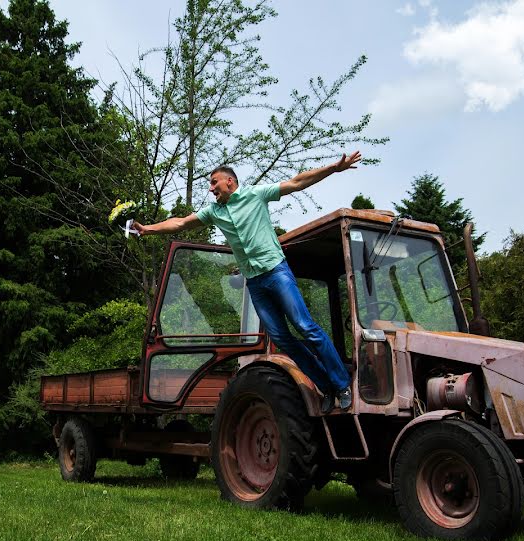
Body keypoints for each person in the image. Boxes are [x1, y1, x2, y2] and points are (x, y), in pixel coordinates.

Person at [132, 152, 361, 413]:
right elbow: (182, 222)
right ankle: (326, 387)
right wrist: (148, 228)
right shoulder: (214, 212)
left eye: (214, 182)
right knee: (281, 338)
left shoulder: (256, 194)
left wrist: (334, 167)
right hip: (255, 283)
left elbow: (297, 182)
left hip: (276, 272)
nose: (210, 188)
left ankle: (341, 384)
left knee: (304, 326)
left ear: (230, 181)